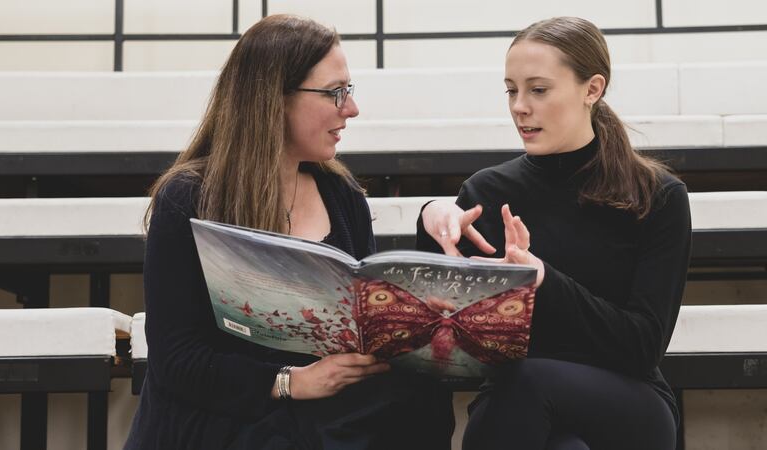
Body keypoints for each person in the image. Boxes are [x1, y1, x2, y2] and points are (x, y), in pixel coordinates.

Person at [125, 14, 454, 450]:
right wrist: (290, 382)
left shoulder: (342, 195)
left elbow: (357, 336)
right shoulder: (188, 198)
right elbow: (177, 361)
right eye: (335, 93)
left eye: (349, 91)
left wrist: (407, 324)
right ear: (274, 100)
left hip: (323, 411)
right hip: (227, 410)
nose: (350, 109)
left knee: (420, 395)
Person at [416, 16, 691, 450]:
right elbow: (449, 345)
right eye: (511, 90)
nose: (519, 106)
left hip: (628, 402)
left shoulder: (657, 195)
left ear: (592, 89)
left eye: (538, 90)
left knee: (528, 379)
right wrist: (430, 221)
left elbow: (641, 347)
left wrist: (541, 279)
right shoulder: (486, 192)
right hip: (515, 407)